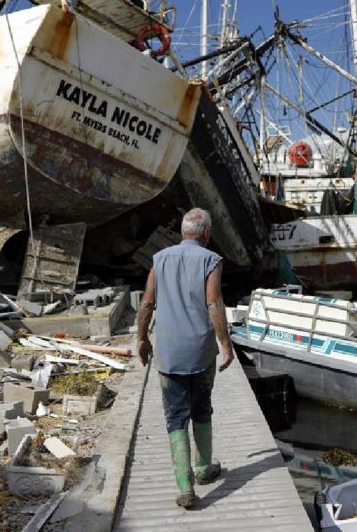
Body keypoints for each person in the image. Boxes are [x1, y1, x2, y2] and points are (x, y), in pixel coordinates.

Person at [135, 207, 234, 509]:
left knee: (175, 416)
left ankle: (185, 486)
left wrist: (141, 338)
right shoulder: (211, 260)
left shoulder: (160, 259)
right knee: (201, 407)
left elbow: (147, 302)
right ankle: (204, 468)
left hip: (168, 351)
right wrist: (225, 344)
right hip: (200, 351)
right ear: (207, 234)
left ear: (183, 232)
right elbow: (214, 303)